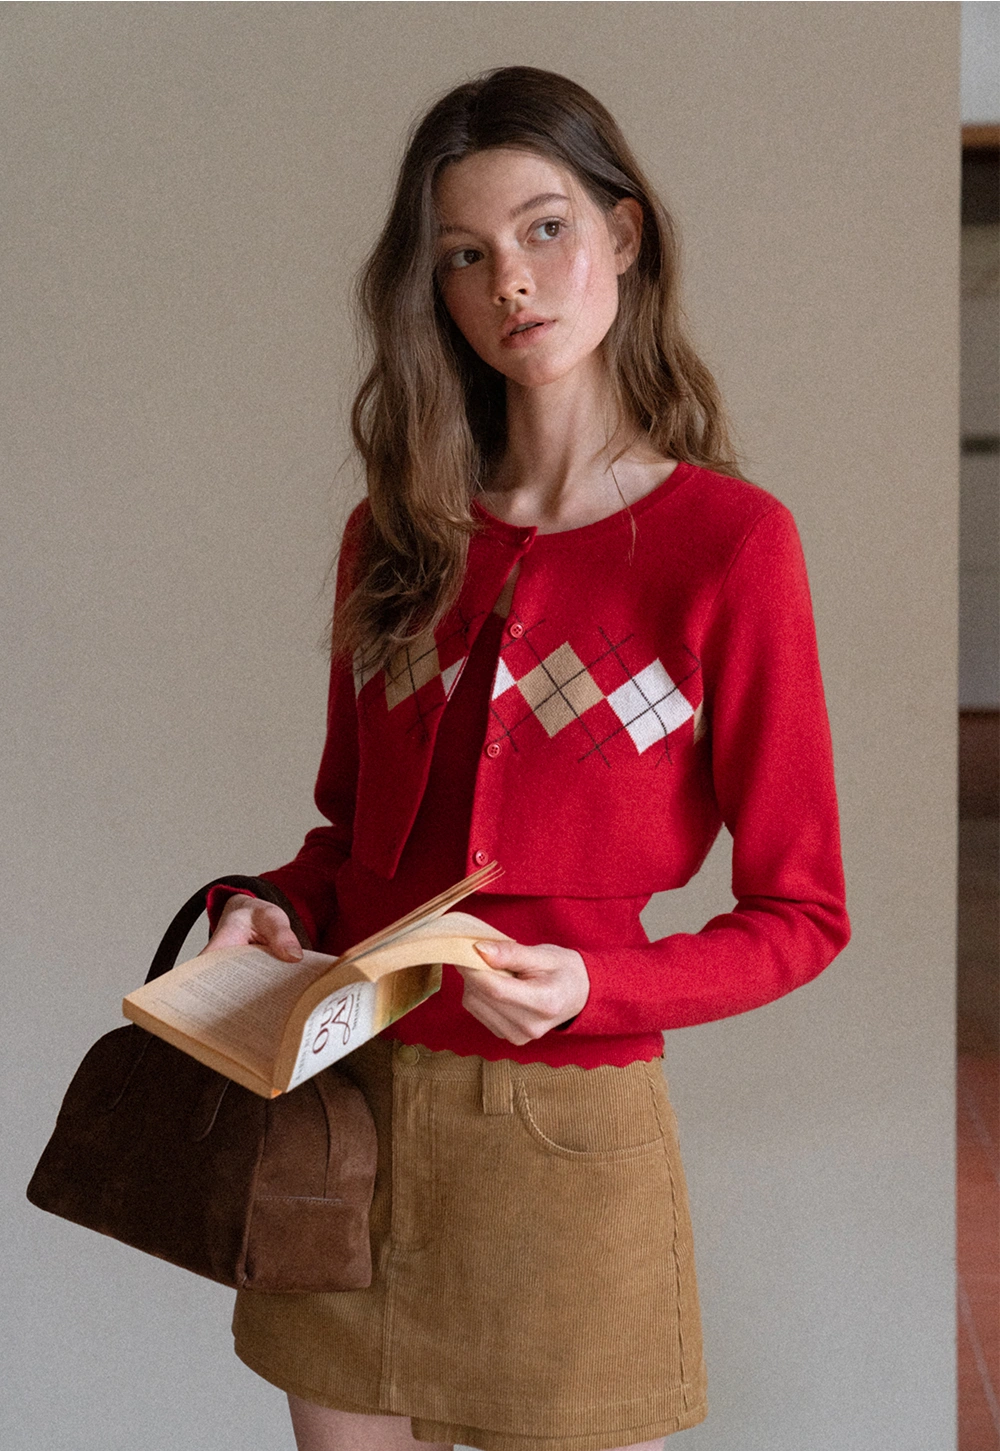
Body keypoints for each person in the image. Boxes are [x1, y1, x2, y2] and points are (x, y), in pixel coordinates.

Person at [204, 66, 849, 1451]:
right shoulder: (393, 541)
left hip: (570, 1151)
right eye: (466, 256)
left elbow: (805, 915)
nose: (514, 281)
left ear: (624, 235)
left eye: (547, 228)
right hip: (347, 1120)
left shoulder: (729, 550)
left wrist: (599, 986)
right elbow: (347, 845)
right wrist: (276, 909)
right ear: (431, 290)